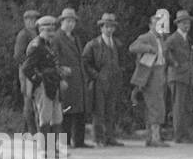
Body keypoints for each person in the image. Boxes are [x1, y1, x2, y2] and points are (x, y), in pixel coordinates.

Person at [82, 13, 126, 146]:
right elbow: (85, 62)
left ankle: (110, 137)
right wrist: (95, 75)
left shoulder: (117, 44)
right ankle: (98, 138)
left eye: (112, 27)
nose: (109, 29)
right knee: (99, 111)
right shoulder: (93, 44)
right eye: (106, 27)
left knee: (111, 110)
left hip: (113, 81)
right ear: (101, 28)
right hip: (99, 82)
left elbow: (121, 61)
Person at [23, 16, 64, 157]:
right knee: (44, 117)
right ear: (40, 29)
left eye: (53, 29)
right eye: (47, 29)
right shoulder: (36, 46)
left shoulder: (49, 45)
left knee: (57, 117)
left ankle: (53, 148)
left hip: (53, 84)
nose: (51, 32)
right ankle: (44, 149)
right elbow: (27, 68)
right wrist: (39, 80)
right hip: (44, 86)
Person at [130, 10, 172, 147]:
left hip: (161, 73)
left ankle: (152, 137)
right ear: (150, 25)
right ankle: (155, 138)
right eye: (156, 24)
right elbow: (133, 47)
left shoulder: (163, 39)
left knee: (157, 105)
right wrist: (147, 48)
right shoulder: (146, 37)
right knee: (155, 106)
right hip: (150, 74)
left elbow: (165, 56)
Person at [54, 8, 91, 148]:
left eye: (72, 21)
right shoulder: (57, 38)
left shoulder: (76, 38)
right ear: (62, 21)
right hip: (67, 79)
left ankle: (79, 141)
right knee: (67, 111)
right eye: (67, 21)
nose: (70, 24)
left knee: (80, 110)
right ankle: (65, 141)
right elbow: (54, 58)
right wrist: (61, 71)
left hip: (79, 78)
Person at [165, 9, 193, 143]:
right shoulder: (173, 38)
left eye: (188, 23)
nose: (186, 25)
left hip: (187, 76)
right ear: (178, 24)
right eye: (184, 23)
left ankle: (186, 134)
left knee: (187, 106)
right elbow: (165, 51)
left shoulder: (187, 38)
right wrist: (174, 63)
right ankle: (178, 135)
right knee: (178, 106)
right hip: (177, 76)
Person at [14, 9, 40, 135]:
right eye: (29, 19)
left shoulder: (37, 33)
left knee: (33, 100)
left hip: (36, 71)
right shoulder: (23, 35)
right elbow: (18, 55)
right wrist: (32, 64)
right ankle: (32, 131)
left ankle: (25, 131)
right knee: (28, 100)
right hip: (26, 71)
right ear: (25, 21)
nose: (32, 22)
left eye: (34, 19)